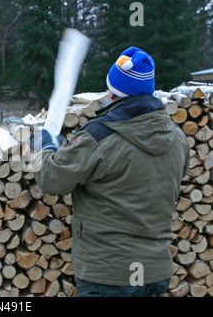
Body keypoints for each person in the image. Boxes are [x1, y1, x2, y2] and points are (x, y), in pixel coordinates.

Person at [34, 47, 190, 297]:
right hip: (155, 272)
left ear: (113, 92)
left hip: (109, 276)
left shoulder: (99, 137)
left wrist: (46, 146)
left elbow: (52, 179)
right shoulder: (177, 137)